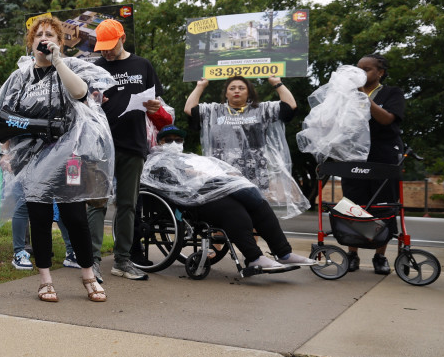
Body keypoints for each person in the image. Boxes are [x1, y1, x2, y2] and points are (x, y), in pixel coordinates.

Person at [0, 16, 113, 302]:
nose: (44, 38)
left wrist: (58, 61)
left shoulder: (69, 67)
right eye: (38, 35)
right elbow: (6, 117)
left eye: (50, 34)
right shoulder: (20, 77)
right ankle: (45, 280)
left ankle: (88, 275)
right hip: (33, 159)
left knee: (75, 216)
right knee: (39, 217)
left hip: (70, 157)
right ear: (31, 42)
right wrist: (6, 152)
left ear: (60, 42)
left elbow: (80, 93)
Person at [142, 137, 314, 275]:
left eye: (178, 140)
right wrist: (192, 175)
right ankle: (254, 258)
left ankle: (284, 253)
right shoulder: (155, 163)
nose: (174, 143)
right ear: (159, 142)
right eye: (168, 140)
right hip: (189, 201)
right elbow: (166, 187)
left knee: (259, 205)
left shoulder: (186, 159)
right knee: (233, 210)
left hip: (207, 193)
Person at [87, 19, 167, 281]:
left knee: (128, 205)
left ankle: (122, 261)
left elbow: (157, 101)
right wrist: (93, 101)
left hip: (133, 143)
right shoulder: (94, 68)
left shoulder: (142, 65)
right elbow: (82, 104)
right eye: (102, 47)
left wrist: (156, 107)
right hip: (100, 144)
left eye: (110, 46)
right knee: (96, 204)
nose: (106, 52)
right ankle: (92, 262)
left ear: (122, 39)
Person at [184, 74, 308, 220]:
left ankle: (251, 236)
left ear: (249, 93)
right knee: (222, 213)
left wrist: (277, 83)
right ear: (226, 93)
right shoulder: (214, 111)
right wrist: (200, 86)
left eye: (241, 88)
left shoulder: (261, 110)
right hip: (222, 173)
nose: (237, 91)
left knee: (253, 214)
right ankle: (221, 236)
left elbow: (290, 106)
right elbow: (189, 109)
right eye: (232, 88)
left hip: (254, 173)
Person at [339, 53, 405, 275]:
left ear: (380, 72)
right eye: (358, 68)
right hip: (354, 156)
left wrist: (363, 97)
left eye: (367, 69)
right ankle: (352, 253)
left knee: (382, 205)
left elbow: (386, 119)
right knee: (354, 204)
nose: (361, 73)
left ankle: (380, 255)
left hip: (383, 155)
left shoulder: (392, 93)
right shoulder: (346, 94)